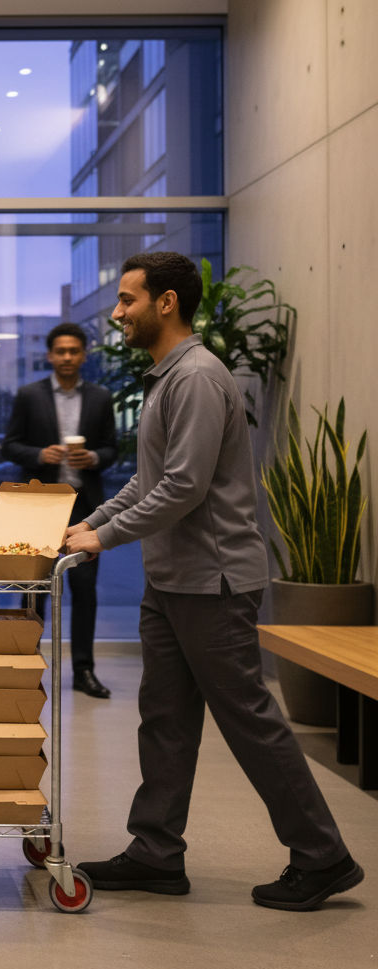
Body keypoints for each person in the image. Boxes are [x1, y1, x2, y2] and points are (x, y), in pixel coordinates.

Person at [66, 251, 362, 911]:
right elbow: (148, 481)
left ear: (166, 302)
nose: (117, 314)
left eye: (127, 300)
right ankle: (156, 852)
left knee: (251, 721)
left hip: (214, 583)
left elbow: (184, 486)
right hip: (172, 580)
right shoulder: (165, 377)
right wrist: (87, 524)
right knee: (164, 720)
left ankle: (323, 856)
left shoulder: (198, 377)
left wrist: (105, 537)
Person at [2, 323, 117, 699]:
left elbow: (113, 449)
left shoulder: (100, 398)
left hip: (86, 508)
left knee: (85, 590)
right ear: (50, 356)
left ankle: (83, 671)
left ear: (84, 355)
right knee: (33, 590)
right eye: (61, 351)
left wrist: (95, 457)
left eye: (74, 351)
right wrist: (39, 454)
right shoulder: (28, 395)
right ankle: (24, 665)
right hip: (38, 509)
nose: (67, 357)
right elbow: (10, 445)